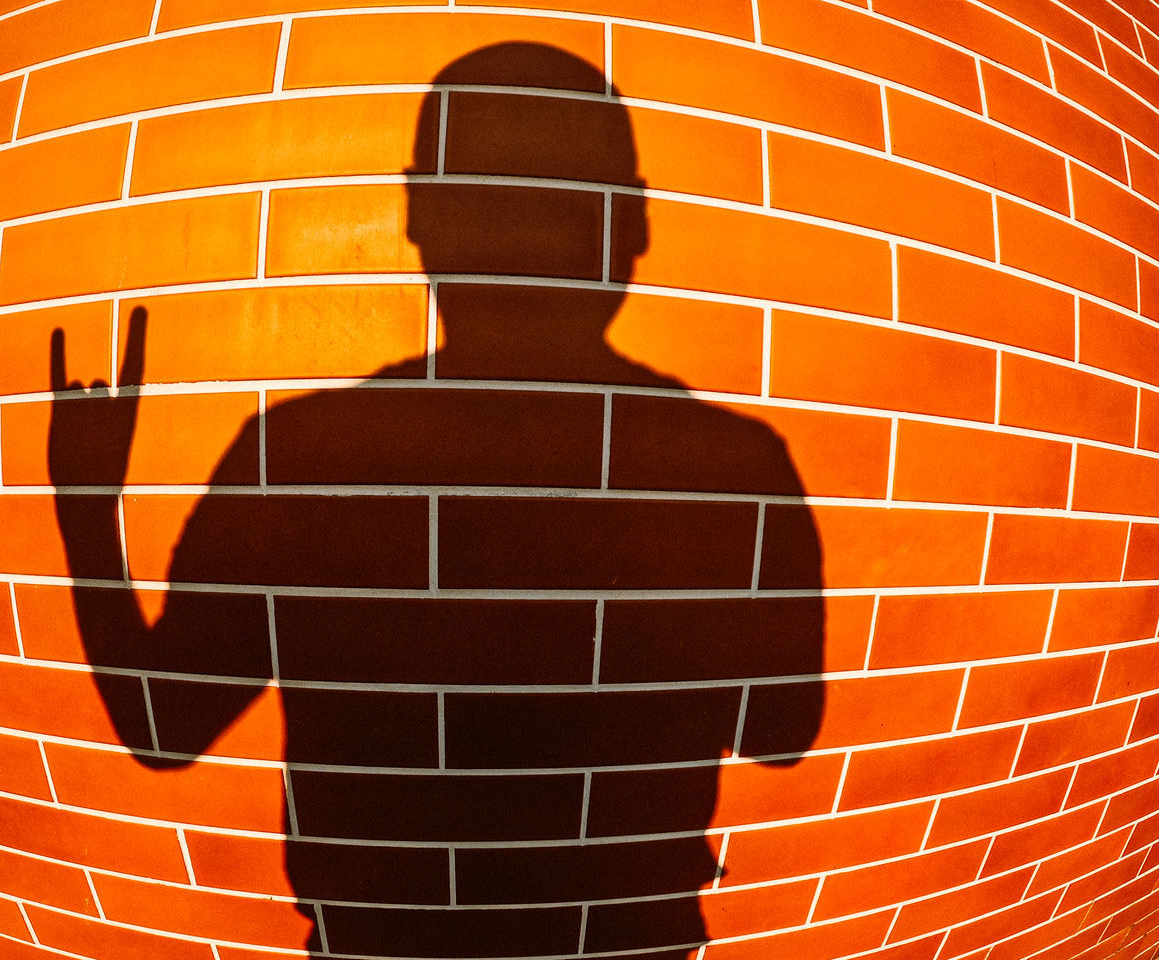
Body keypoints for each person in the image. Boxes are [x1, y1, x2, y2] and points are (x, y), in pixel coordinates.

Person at [49, 43, 824, 958]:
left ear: (422, 215)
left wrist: (88, 513)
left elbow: (162, 725)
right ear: (632, 225)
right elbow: (779, 733)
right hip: (631, 938)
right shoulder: (734, 467)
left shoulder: (301, 456)